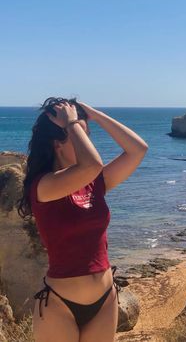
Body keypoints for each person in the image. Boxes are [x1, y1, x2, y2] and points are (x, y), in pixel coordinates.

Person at [17, 97, 148, 342]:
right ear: (58, 143)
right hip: (60, 306)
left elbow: (138, 150)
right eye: (80, 135)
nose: (87, 141)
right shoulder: (44, 186)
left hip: (105, 299)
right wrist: (71, 123)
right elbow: (92, 164)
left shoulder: (94, 183)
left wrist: (95, 115)